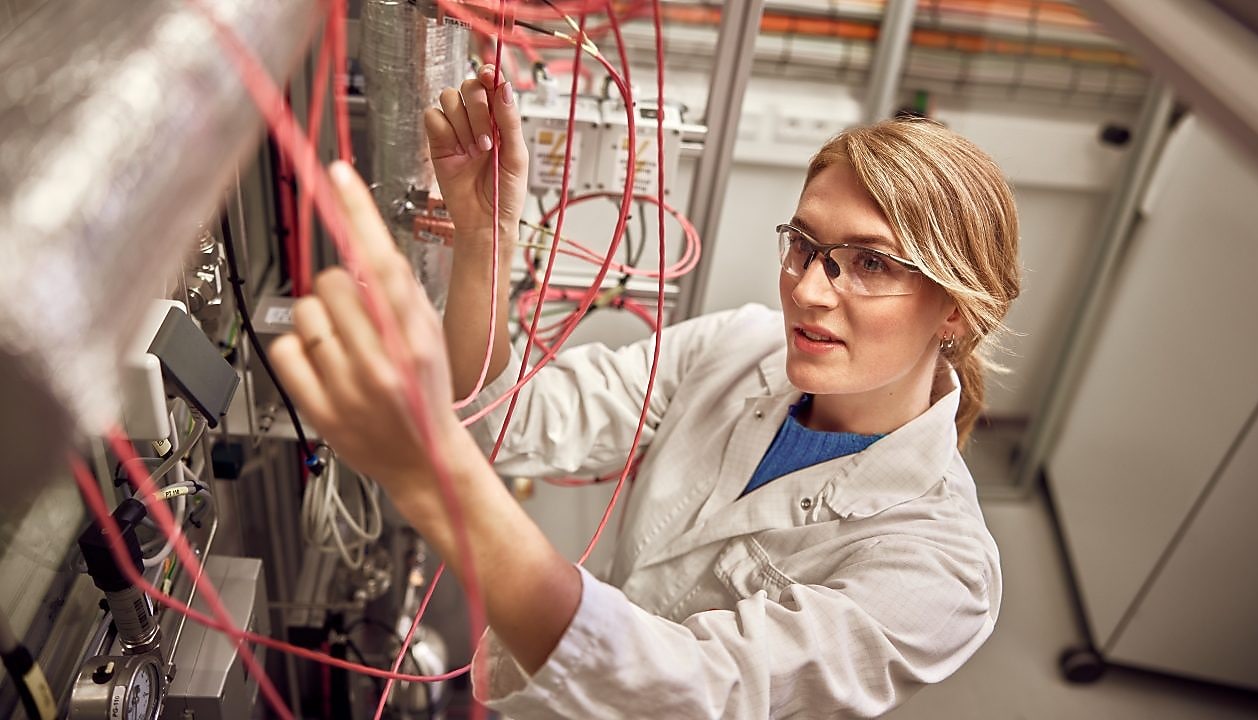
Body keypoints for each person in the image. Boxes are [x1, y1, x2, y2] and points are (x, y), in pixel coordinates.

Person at [270, 65, 1021, 718]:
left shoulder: (941, 570)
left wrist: (430, 475)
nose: (809, 291)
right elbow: (506, 421)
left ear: (956, 310)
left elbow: (694, 692)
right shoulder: (741, 348)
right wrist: (486, 236)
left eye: (871, 264)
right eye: (805, 246)